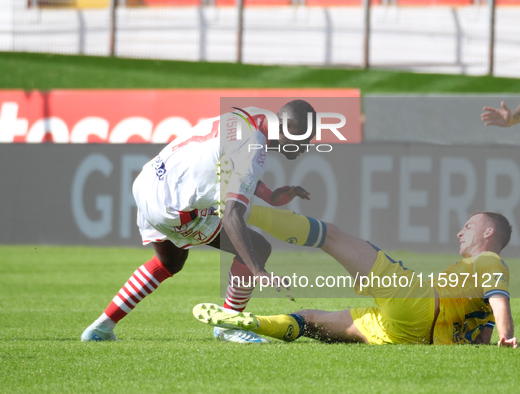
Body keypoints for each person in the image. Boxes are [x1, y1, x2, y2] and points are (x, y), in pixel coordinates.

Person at [81, 100, 317, 343]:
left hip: (149, 182)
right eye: (303, 139)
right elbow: (230, 215)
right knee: (257, 247)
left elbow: (228, 164)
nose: (306, 146)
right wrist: (258, 271)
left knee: (170, 261)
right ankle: (228, 325)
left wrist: (269, 195)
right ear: (286, 128)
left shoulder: (255, 119)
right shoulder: (252, 148)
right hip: (173, 205)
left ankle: (101, 329)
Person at [194, 206, 517, 347]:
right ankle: (252, 323)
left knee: (330, 236)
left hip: (415, 302)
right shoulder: (479, 279)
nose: (461, 231)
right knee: (308, 321)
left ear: (489, 232)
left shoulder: (488, 260)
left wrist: (508, 334)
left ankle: (244, 210)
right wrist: (495, 338)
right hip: (411, 336)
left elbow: (499, 300)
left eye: (470, 226)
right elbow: (483, 337)